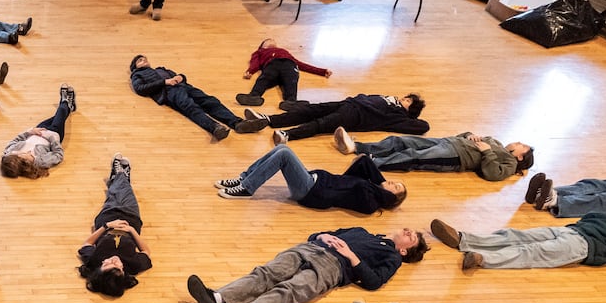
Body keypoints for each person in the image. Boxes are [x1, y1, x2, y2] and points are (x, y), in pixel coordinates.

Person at [188, 225, 427, 303]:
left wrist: (351, 255)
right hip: (310, 249)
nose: (408, 231)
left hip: (334, 268)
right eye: (410, 230)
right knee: (266, 273)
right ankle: (216, 298)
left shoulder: (392, 257)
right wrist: (322, 236)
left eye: (411, 237)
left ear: (404, 251)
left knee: (289, 290)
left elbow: (374, 281)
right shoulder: (362, 231)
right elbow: (319, 233)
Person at [427, 215, 606, 272]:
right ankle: (463, 239)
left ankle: (482, 259)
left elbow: (601, 219)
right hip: (571, 230)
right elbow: (596, 216)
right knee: (515, 235)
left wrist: (605, 223)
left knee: (530, 252)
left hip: (581, 247)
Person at [216, 145, 405, 214]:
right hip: (313, 181)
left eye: (395, 187)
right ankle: (244, 179)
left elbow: (363, 190)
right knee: (284, 149)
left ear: (391, 198)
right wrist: (380, 181)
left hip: (311, 193)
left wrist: (380, 188)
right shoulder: (371, 186)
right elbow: (364, 160)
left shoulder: (371, 202)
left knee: (284, 155)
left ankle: (247, 189)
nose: (391, 183)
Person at [78, 154, 151, 298]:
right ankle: (120, 175)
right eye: (118, 266)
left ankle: (120, 175)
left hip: (108, 216)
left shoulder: (94, 260)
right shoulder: (133, 265)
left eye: (108, 264)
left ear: (100, 267)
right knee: (125, 193)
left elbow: (87, 243)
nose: (115, 260)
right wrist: (131, 230)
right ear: (123, 271)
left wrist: (106, 226)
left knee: (114, 195)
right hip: (131, 217)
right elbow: (146, 252)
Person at [338, 129, 532, 183]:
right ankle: (357, 146)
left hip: (455, 156)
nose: (518, 142)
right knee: (402, 141)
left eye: (522, 146)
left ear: (521, 157)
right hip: (448, 142)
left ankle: (371, 163)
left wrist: (486, 152)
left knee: (414, 157)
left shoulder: (509, 163)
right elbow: (465, 136)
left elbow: (493, 174)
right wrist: (469, 135)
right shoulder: (496, 141)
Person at [235, 93, 429, 144]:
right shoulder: (390, 100)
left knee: (322, 124)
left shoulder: (398, 116)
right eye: (406, 97)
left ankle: (287, 135)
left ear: (410, 110)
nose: (404, 99)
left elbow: (423, 126)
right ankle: (268, 119)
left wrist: (407, 114)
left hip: (356, 115)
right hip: (349, 103)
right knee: (310, 110)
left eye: (408, 102)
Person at [129, 55, 238, 141]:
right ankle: (215, 127)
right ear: (135, 66)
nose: (144, 60)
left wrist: (181, 76)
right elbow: (140, 88)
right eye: (140, 60)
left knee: (211, 101)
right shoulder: (137, 75)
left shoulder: (160, 69)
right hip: (169, 92)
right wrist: (164, 82)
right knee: (190, 107)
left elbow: (178, 76)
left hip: (184, 86)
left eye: (145, 59)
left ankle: (237, 122)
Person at [1, 85, 76, 178]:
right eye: (19, 155)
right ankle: (65, 100)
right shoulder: (41, 161)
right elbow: (58, 155)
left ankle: (69, 105)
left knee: (60, 115)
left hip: (39, 129)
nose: (17, 152)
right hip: (54, 133)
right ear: (24, 162)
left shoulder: (10, 154)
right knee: (61, 111)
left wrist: (29, 132)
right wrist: (53, 139)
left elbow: (15, 141)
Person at [237, 37, 331, 106]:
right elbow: (255, 62)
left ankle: (291, 102)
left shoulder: (283, 51)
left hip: (289, 65)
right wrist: (250, 71)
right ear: (262, 46)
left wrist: (321, 71)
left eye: (274, 42)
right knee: (264, 78)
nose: (272, 42)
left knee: (291, 82)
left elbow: (301, 64)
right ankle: (254, 96)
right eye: (268, 42)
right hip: (273, 64)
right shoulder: (260, 52)